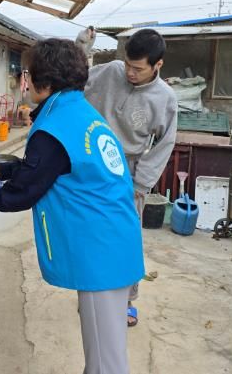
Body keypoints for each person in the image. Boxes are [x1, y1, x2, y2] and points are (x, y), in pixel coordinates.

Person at [0, 38, 144, 374]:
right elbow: (50, 168)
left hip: (99, 252)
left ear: (45, 83)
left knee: (105, 363)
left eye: (27, 74)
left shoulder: (54, 128)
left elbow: (29, 187)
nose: (24, 81)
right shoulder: (80, 113)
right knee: (105, 354)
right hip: (114, 240)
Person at [85, 28, 178, 327]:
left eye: (138, 68)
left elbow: (164, 143)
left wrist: (141, 183)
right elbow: (75, 80)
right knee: (89, 233)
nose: (129, 72)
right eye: (127, 64)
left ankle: (126, 300)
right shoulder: (110, 71)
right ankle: (91, 295)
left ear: (157, 65)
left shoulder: (165, 99)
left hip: (127, 173)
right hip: (90, 165)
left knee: (126, 240)